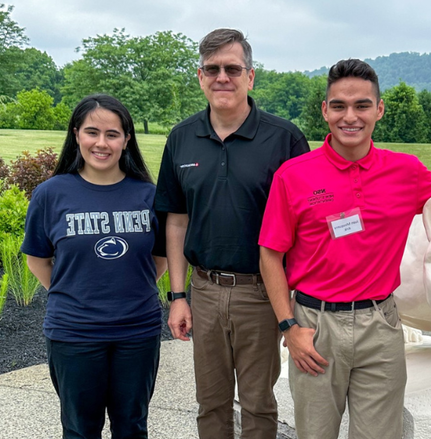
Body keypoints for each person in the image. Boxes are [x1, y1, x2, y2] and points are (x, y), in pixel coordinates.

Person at [258, 59, 431, 438]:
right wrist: (289, 327)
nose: (349, 116)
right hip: (314, 326)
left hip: (379, 325)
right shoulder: (294, 175)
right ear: (325, 111)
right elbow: (270, 254)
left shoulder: (405, 171)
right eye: (338, 106)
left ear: (379, 110)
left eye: (362, 105)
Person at [153, 28, 310, 438]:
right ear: (200, 77)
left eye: (233, 68)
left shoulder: (285, 139)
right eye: (213, 69)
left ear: (251, 76)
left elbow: (307, 224)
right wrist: (178, 296)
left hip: (261, 292)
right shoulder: (182, 138)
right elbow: (176, 220)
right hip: (203, 290)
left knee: (259, 404)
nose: (223, 77)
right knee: (211, 403)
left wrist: (292, 302)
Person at [21, 94, 167, 439]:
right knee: (80, 430)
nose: (102, 143)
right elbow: (37, 259)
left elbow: (160, 258)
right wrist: (75, 292)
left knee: (131, 428)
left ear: (126, 139)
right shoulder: (50, 194)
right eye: (92, 132)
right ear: (76, 135)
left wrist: (129, 288)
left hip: (137, 332)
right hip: (73, 333)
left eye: (112, 134)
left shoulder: (148, 194)